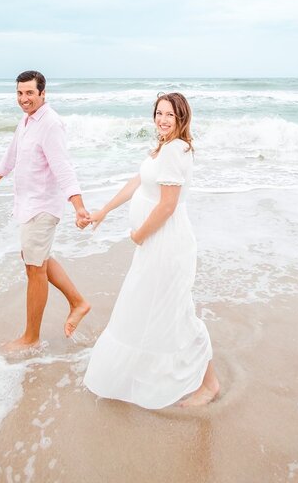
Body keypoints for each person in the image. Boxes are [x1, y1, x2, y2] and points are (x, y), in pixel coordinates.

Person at [81, 92, 220, 408]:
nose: (163, 119)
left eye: (170, 114)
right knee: (149, 308)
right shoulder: (164, 149)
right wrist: (104, 210)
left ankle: (210, 384)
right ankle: (149, 373)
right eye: (159, 113)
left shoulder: (175, 150)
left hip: (164, 244)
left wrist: (139, 235)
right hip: (157, 244)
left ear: (182, 117)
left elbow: (168, 205)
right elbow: (137, 182)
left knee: (178, 313)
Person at [0, 70, 92, 353]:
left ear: (43, 93)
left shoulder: (51, 124)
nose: (24, 99)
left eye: (30, 93)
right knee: (36, 259)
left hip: (43, 205)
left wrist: (78, 206)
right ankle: (78, 302)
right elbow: (12, 154)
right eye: (20, 93)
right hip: (28, 204)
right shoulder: (27, 120)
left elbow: (63, 167)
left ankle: (31, 338)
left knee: (34, 268)